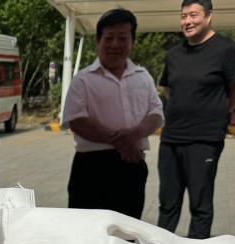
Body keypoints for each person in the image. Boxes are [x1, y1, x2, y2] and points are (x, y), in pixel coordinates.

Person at [62, 8, 163, 219]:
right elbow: (77, 120)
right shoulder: (83, 80)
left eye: (122, 38)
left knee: (127, 229)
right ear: (98, 42)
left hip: (132, 166)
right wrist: (123, 142)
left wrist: (135, 133)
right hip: (91, 168)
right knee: (86, 229)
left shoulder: (143, 77)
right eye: (109, 38)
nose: (115, 44)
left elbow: (156, 114)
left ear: (132, 42)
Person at [157, 0, 235, 239]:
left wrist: (215, 112)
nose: (188, 21)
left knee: (200, 204)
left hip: (205, 139)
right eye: (183, 16)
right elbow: (167, 88)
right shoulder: (174, 54)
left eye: (193, 15)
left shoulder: (226, 49)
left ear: (208, 16)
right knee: (167, 203)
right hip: (171, 139)